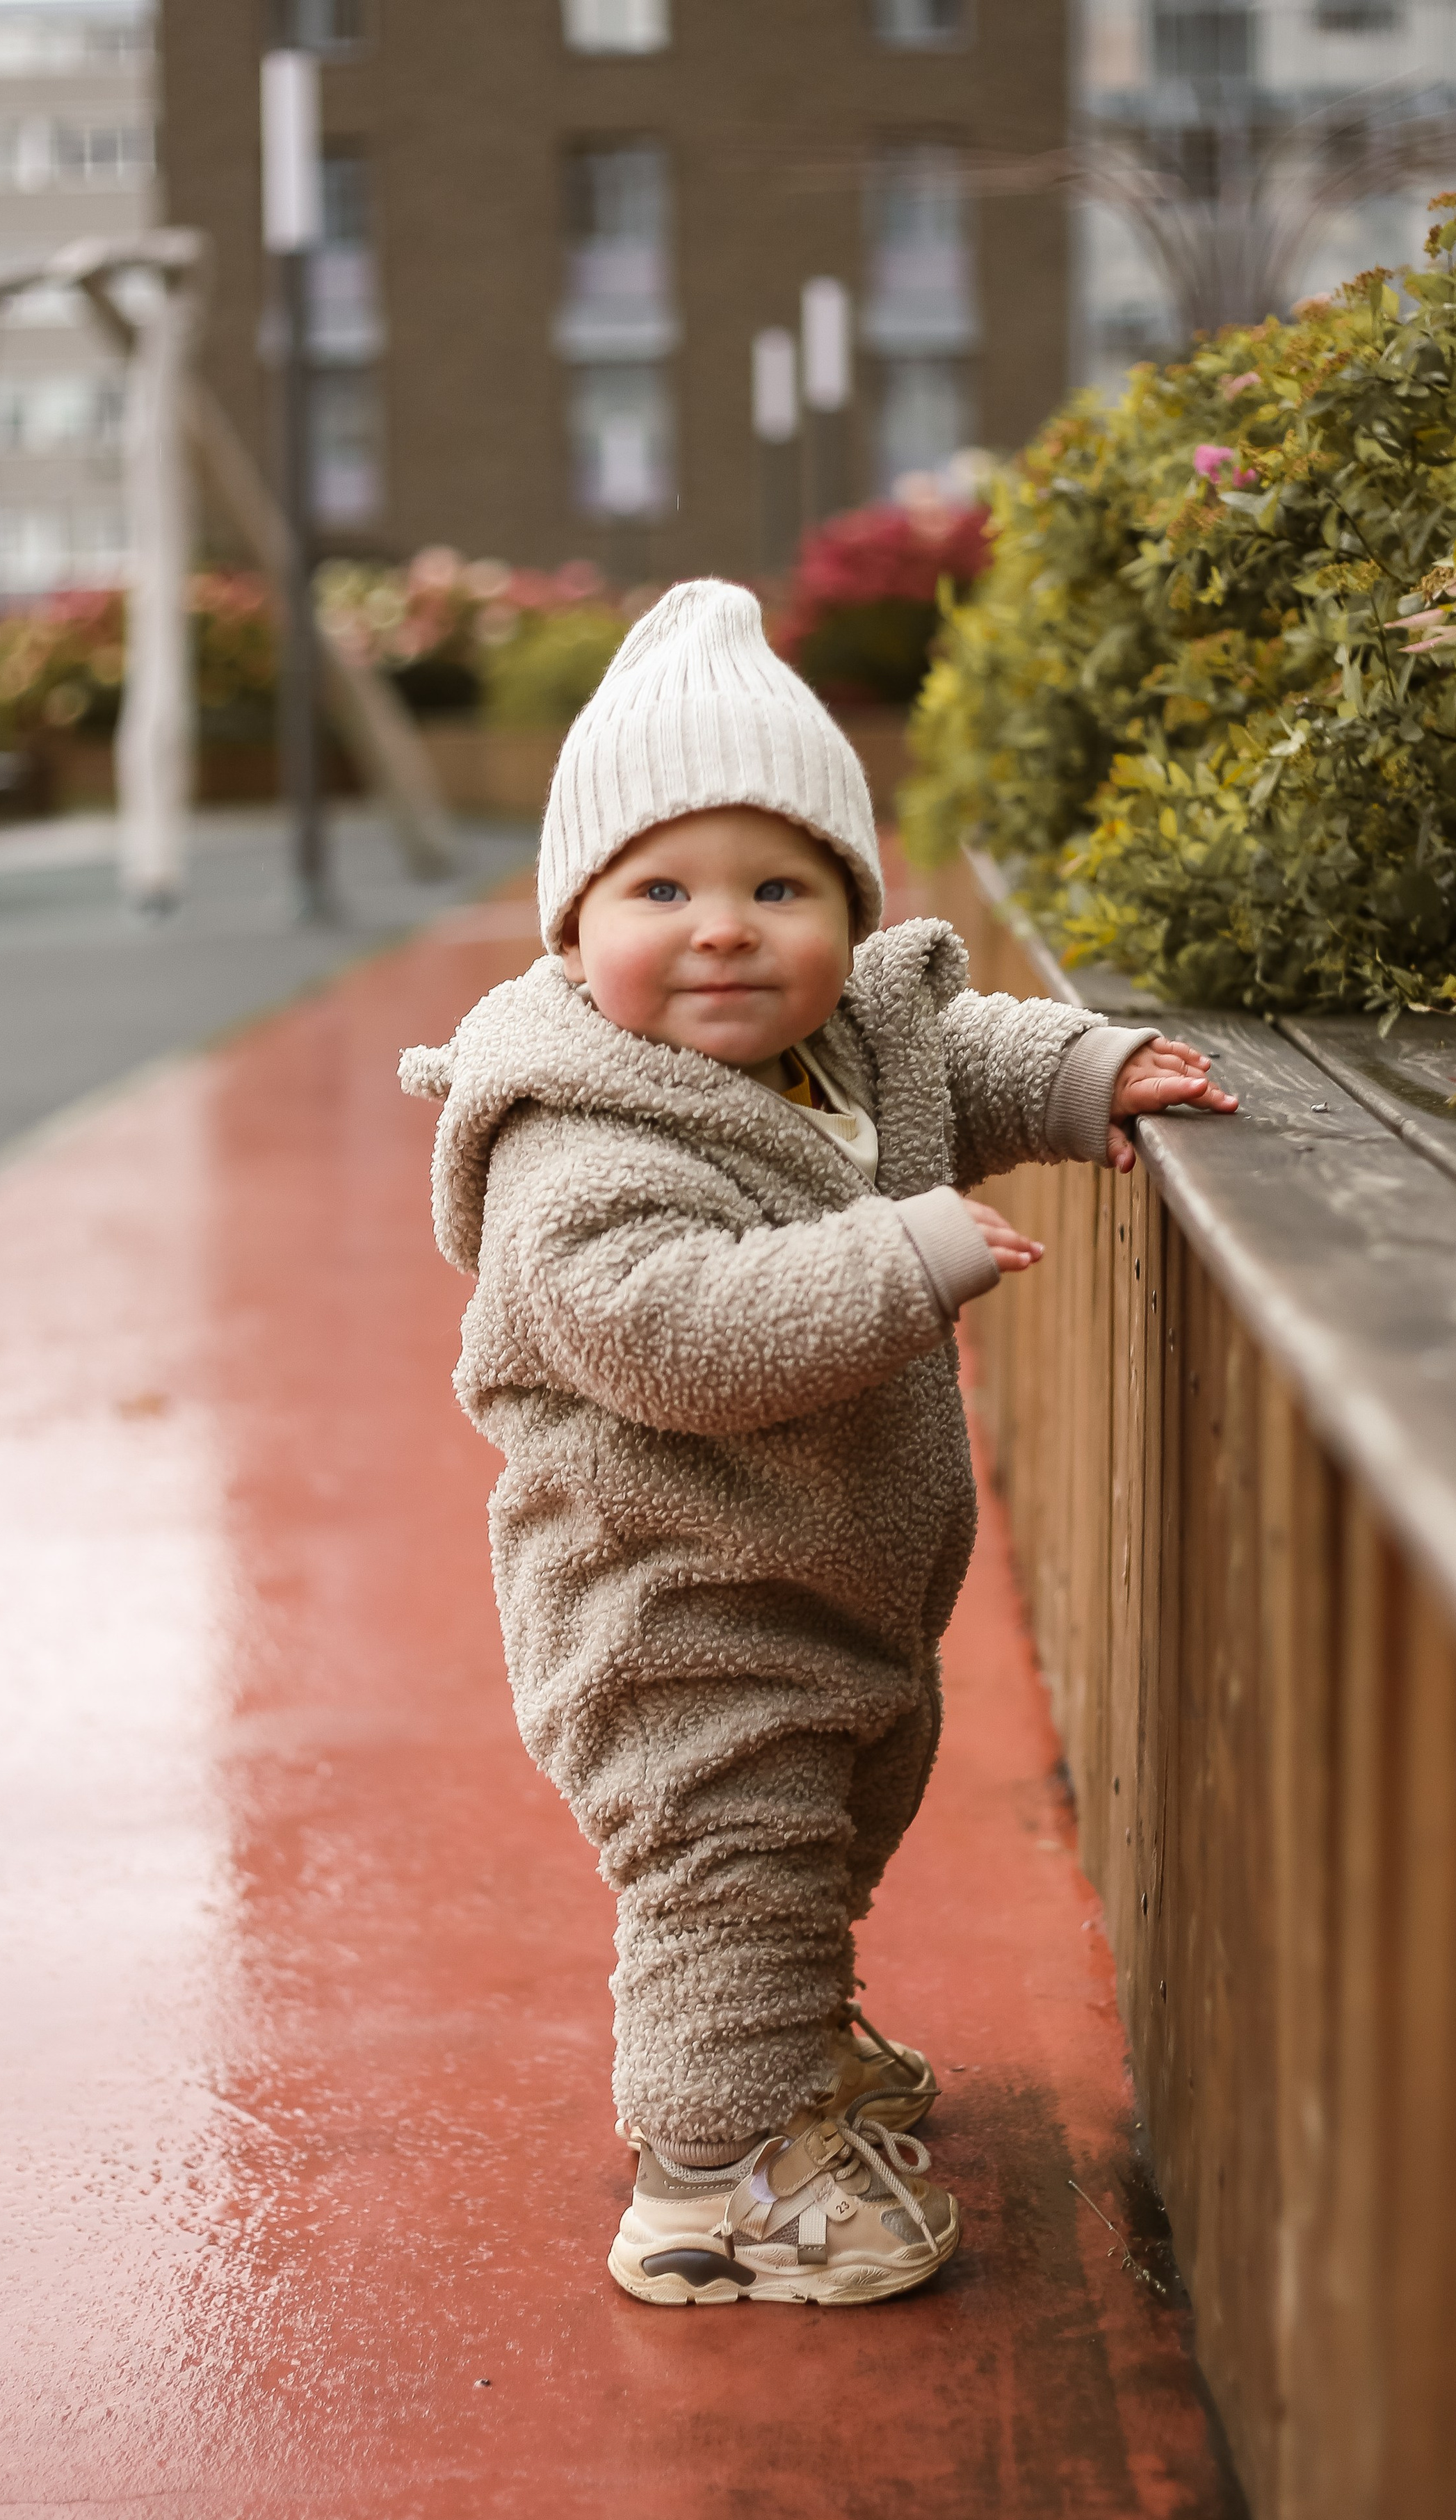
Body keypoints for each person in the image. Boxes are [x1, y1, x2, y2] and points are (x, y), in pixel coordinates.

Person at [401, 579, 1236, 2307]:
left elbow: (958, 1054)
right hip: (671, 1600)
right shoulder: (576, 1137)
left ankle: (785, 2049)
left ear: (847, 915)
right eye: (661, 891)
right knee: (731, 1869)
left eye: (777, 889)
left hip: (824, 1576)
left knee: (826, 1834)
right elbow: (661, 1328)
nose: (722, 930)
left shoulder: (846, 1041)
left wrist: (1084, 1074)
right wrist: (892, 1260)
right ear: (571, 927)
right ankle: (710, 2176)